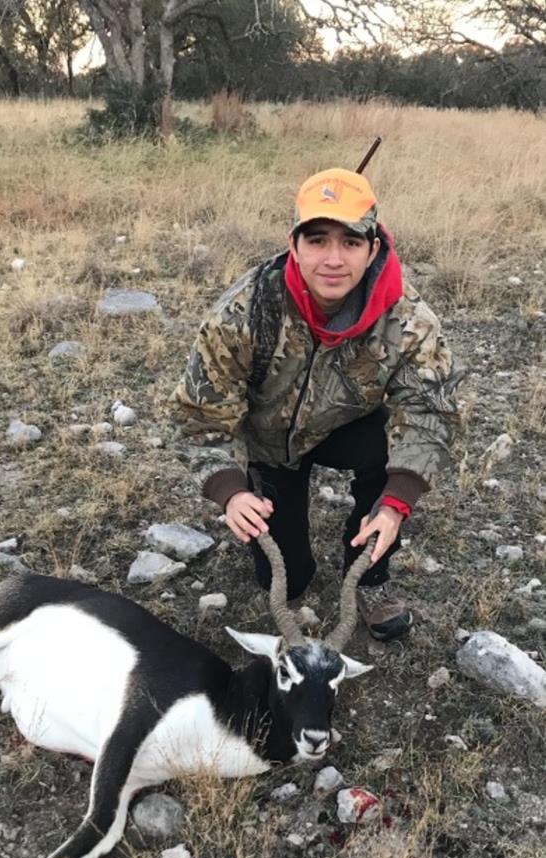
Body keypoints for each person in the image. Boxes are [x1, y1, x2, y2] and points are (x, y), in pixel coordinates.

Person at [172, 167, 463, 641]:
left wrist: (396, 502)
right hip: (270, 444)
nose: (333, 259)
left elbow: (431, 409)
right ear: (294, 246)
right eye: (317, 240)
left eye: (350, 242)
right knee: (287, 581)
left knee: (389, 450)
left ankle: (370, 579)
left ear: (374, 249)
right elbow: (199, 415)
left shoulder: (406, 318)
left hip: (349, 429)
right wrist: (230, 490)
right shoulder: (244, 311)